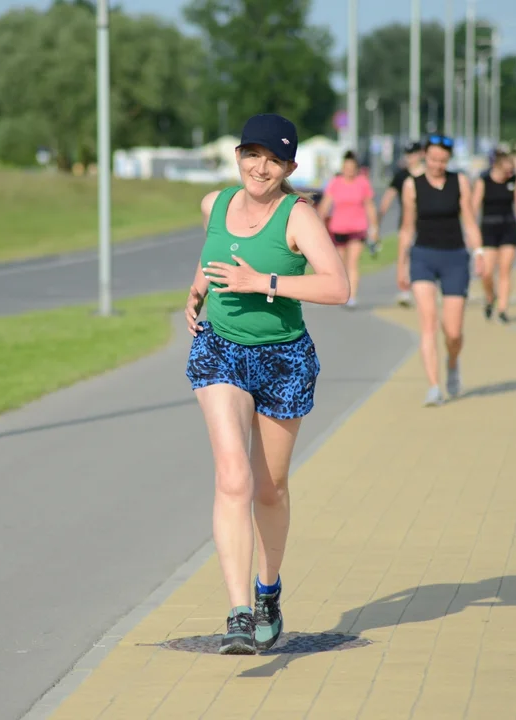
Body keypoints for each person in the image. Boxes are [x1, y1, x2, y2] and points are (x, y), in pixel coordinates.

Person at [183, 113, 349, 654]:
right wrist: (196, 292)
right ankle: (236, 614)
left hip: (283, 358)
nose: (261, 167)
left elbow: (338, 286)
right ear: (238, 155)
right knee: (232, 478)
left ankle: (267, 592)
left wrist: (264, 283)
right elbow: (212, 257)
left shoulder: (298, 217)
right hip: (221, 349)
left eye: (273, 159)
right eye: (252, 154)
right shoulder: (215, 204)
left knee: (269, 489)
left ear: (290, 167)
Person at [396, 134, 486, 406]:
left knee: (454, 331)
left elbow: (469, 220)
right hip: (423, 256)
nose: (437, 164)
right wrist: (402, 264)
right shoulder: (412, 185)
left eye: (442, 160)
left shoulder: (459, 182)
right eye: (433, 159)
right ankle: (434, 386)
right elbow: (407, 227)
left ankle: (453, 361)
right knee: (428, 323)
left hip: (455, 257)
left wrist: (479, 251)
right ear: (425, 156)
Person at [472, 147, 516, 324]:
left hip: (508, 228)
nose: (509, 172)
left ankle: (503, 309)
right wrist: (471, 231)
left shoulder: (514, 181)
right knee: (487, 272)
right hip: (488, 228)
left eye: (510, 169)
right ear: (496, 166)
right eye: (506, 169)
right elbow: (473, 207)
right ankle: (490, 297)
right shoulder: (484, 181)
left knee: (505, 269)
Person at [316, 150, 377, 309]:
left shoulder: (362, 182)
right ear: (343, 167)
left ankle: (352, 296)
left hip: (358, 228)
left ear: (356, 168)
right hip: (338, 228)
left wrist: (374, 227)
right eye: (346, 167)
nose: (349, 170)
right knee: (340, 263)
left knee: (353, 262)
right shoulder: (336, 182)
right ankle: (342, 291)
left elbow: (369, 206)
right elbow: (325, 204)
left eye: (352, 167)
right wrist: (318, 222)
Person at [379, 141, 426, 307]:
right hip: (406, 221)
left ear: (420, 154)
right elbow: (388, 197)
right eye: (408, 154)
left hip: (427, 222)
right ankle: (404, 291)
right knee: (404, 255)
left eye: (413, 154)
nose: (410, 158)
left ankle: (424, 288)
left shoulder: (429, 173)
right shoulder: (401, 175)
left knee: (423, 256)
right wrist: (379, 217)